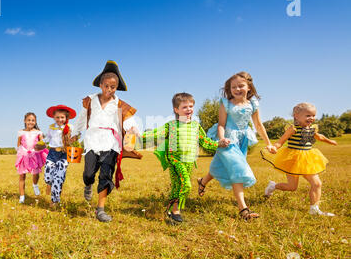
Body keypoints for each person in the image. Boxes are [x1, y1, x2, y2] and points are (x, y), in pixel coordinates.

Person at [197, 72, 276, 221]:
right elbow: (221, 124)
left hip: (243, 140)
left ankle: (202, 181)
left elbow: (258, 125)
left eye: (241, 86)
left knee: (220, 166)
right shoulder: (226, 103)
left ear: (249, 87)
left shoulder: (252, 104)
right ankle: (243, 210)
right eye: (233, 87)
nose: (237, 89)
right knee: (237, 170)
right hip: (228, 140)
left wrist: (269, 144)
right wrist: (222, 139)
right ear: (229, 89)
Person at [74, 61, 141, 222]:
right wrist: (75, 133)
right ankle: (88, 184)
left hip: (111, 144)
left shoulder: (120, 104)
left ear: (116, 88)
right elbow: (82, 118)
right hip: (92, 141)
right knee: (89, 173)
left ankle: (101, 209)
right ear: (100, 85)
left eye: (113, 87)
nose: (109, 90)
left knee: (106, 174)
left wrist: (133, 129)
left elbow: (128, 121)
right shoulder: (90, 101)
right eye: (106, 86)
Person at [142, 93, 221, 223]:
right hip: (175, 160)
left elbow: (205, 142)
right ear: (176, 110)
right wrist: (136, 135)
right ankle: (174, 210)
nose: (189, 109)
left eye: (191, 106)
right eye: (185, 107)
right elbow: (156, 134)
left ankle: (173, 210)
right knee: (186, 185)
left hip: (189, 161)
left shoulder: (196, 126)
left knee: (177, 186)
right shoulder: (172, 126)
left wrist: (219, 144)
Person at [262, 102, 337, 216]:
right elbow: (280, 142)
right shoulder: (293, 129)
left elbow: (319, 136)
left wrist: (330, 141)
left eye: (313, 115)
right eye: (308, 115)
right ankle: (273, 186)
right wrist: (274, 147)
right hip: (293, 159)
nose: (311, 118)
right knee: (292, 187)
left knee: (317, 184)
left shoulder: (312, 128)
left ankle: (314, 209)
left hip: (308, 158)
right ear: (296, 116)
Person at [42, 105, 77, 208]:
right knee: (48, 175)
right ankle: (49, 183)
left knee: (58, 177)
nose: (60, 119)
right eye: (57, 117)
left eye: (62, 117)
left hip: (64, 154)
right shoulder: (51, 127)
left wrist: (74, 138)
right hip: (52, 153)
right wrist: (41, 142)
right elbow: (47, 138)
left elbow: (76, 135)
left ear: (66, 118)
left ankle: (55, 200)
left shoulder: (70, 127)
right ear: (54, 117)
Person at [15, 112, 49, 204]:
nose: (31, 122)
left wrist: (40, 146)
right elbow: (18, 145)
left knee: (36, 173)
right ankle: (22, 196)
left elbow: (42, 143)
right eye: (29, 120)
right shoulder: (20, 132)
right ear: (25, 121)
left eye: (33, 120)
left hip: (35, 154)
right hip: (24, 154)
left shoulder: (38, 132)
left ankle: (35, 184)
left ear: (35, 122)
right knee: (22, 175)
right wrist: (20, 153)